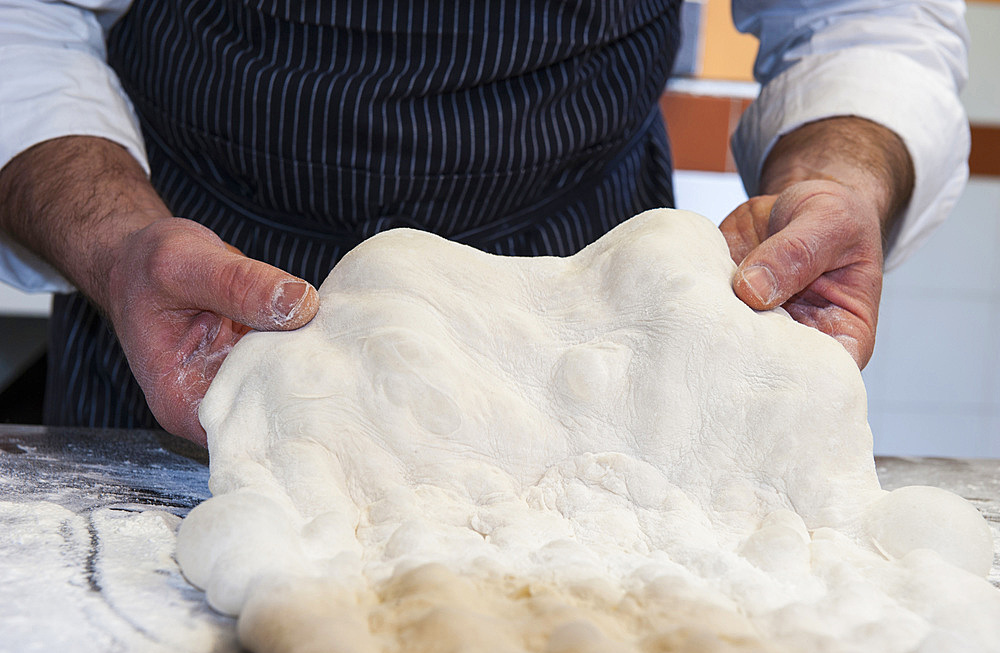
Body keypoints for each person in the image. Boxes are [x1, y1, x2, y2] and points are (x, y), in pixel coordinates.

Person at [0, 1, 970, 446]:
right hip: (194, 316)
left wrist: (840, 175)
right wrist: (119, 242)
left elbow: (861, 15)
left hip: (593, 351)